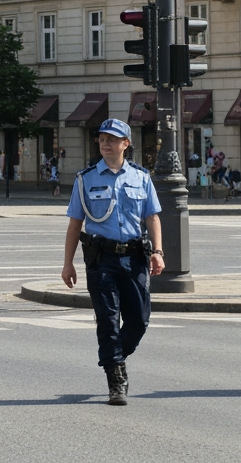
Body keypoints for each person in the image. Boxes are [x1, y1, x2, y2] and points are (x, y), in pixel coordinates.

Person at [61, 118, 165, 406]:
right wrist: (67, 263)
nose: (106, 143)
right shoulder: (86, 179)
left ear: (125, 144)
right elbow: (75, 223)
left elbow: (152, 217)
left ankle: (116, 356)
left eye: (112, 139)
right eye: (102, 138)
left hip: (134, 258)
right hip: (102, 258)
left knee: (139, 320)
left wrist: (158, 251)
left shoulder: (142, 178)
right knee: (107, 319)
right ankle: (115, 376)